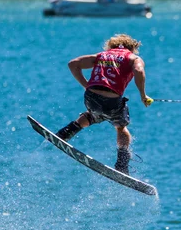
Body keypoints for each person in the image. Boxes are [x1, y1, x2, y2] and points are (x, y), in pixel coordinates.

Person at [56, 33, 153, 175]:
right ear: (132, 48)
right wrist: (143, 95)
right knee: (121, 128)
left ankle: (64, 134)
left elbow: (73, 64)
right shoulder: (133, 58)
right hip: (112, 102)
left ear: (111, 46)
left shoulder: (101, 55)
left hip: (90, 97)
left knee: (92, 115)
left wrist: (86, 85)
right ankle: (121, 165)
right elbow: (139, 70)